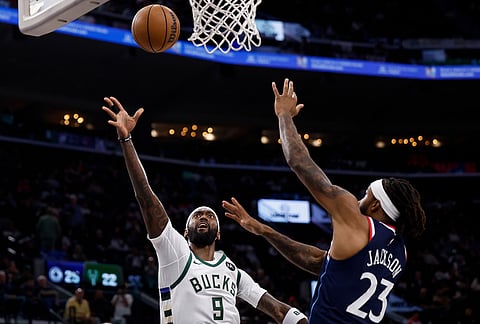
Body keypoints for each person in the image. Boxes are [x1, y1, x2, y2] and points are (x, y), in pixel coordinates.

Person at [221, 78, 427, 323]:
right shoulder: (400, 252)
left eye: (366, 195)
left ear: (375, 205)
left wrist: (284, 115)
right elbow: (320, 262)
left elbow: (300, 163)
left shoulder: (356, 219)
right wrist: (264, 230)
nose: (360, 198)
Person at [101, 96, 308, 324]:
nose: (203, 217)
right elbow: (146, 198)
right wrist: (126, 139)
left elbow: (278, 311)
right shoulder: (176, 254)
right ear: (185, 232)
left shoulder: (234, 272)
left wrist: (301, 320)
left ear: (218, 233)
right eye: (197, 215)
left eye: (210, 216)